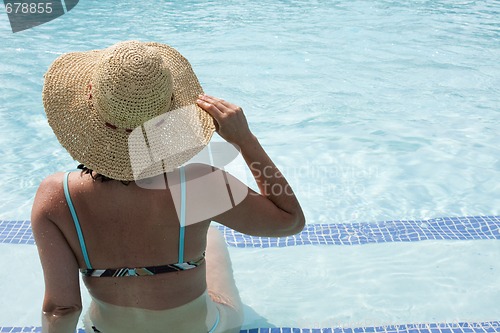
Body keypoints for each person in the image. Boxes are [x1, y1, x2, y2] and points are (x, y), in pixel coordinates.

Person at [31, 40, 305, 333]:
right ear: (170, 115)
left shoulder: (57, 197)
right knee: (212, 238)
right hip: (200, 328)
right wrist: (245, 140)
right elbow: (290, 221)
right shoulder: (200, 185)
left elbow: (62, 308)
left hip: (106, 329)